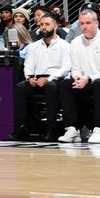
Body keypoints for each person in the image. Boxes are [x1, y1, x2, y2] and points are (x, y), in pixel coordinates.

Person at [58, 9, 100, 144]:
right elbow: (75, 68)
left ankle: (98, 129)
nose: (84, 26)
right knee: (64, 84)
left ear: (96, 23)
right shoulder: (76, 42)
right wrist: (78, 78)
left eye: (88, 23)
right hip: (88, 81)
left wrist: (88, 78)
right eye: (82, 23)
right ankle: (72, 128)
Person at [9, 14, 71, 142]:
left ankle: (51, 128)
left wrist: (50, 78)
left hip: (55, 80)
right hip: (36, 79)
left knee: (51, 86)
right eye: (41, 24)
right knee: (20, 87)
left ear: (55, 25)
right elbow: (28, 66)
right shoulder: (33, 46)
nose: (43, 27)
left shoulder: (65, 46)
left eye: (47, 24)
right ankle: (23, 125)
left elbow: (66, 67)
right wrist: (29, 78)